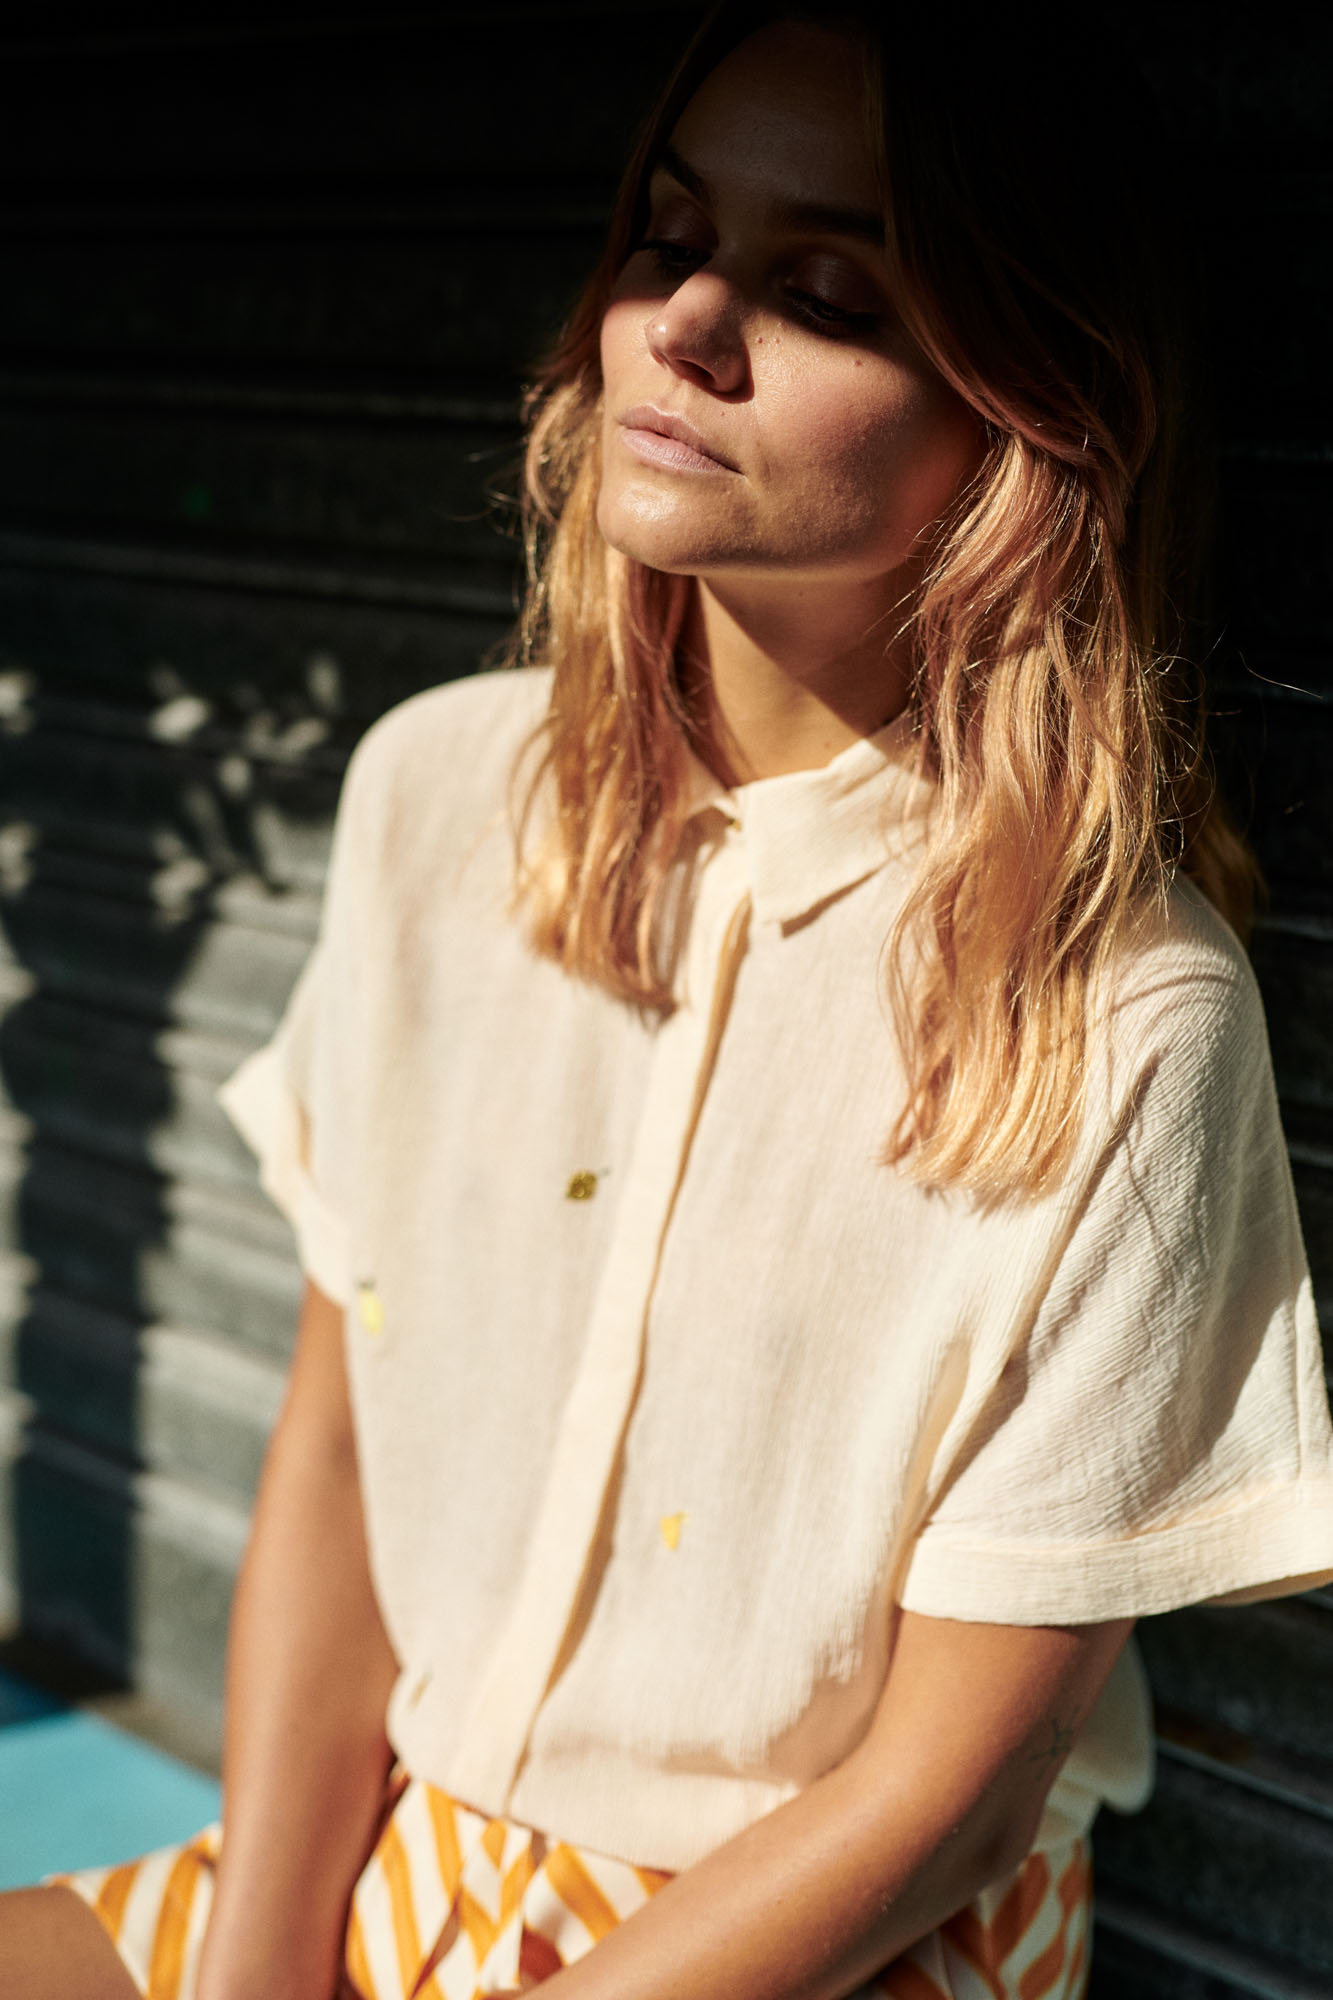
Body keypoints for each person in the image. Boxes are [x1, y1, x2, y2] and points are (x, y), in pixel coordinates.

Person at [5, 5, 1333, 1997]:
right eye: (665, 237)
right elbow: (338, 1461)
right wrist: (259, 1969)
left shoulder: (1131, 1008)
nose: (686, 328)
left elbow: (950, 1797)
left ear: (1021, 411)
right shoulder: (434, 797)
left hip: (843, 1944)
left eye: (818, 287)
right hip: (396, 1855)